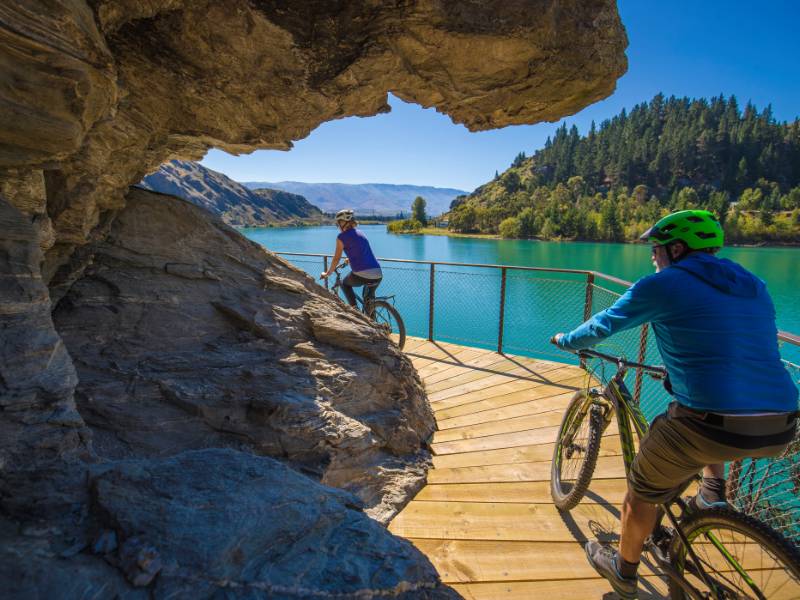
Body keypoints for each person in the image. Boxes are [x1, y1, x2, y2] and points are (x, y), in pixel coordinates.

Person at [550, 209, 798, 599]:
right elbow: (738, 344)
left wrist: (565, 340)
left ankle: (623, 571)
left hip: (710, 424)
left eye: (656, 249)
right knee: (694, 419)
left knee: (642, 491)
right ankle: (712, 491)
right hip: (782, 421)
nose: (653, 257)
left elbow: (602, 326)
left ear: (677, 249)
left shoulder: (664, 285)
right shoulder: (753, 284)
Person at [320, 209, 383, 310]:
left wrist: (328, 273)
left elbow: (336, 258)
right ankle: (372, 320)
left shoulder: (341, 237)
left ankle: (355, 312)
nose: (338, 226)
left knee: (344, 284)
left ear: (343, 223)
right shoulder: (360, 233)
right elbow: (362, 251)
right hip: (378, 273)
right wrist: (350, 258)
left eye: (338, 223)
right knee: (368, 301)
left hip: (362, 274)